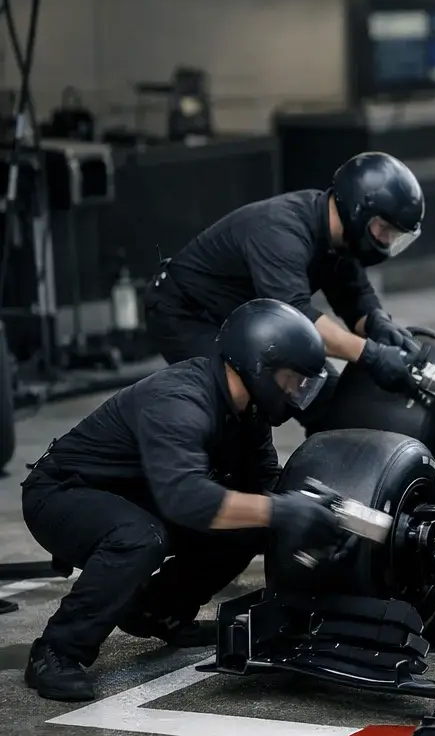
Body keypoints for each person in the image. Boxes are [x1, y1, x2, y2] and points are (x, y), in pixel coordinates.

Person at [20, 300, 350, 702]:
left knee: (251, 521)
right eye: (291, 380)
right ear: (260, 366)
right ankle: (56, 650)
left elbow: (265, 485)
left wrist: (318, 508)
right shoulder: (180, 401)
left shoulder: (249, 413)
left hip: (139, 494)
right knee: (141, 537)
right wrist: (283, 510)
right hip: (61, 494)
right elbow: (186, 499)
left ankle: (156, 611)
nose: (298, 392)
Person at [143, 151, 430, 427]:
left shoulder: (338, 239)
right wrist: (370, 355)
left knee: (327, 403)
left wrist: (377, 323)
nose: (387, 241)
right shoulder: (282, 232)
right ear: (359, 210)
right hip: (187, 312)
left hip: (249, 318)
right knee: (242, 402)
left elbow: (355, 297)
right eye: (385, 231)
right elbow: (298, 319)